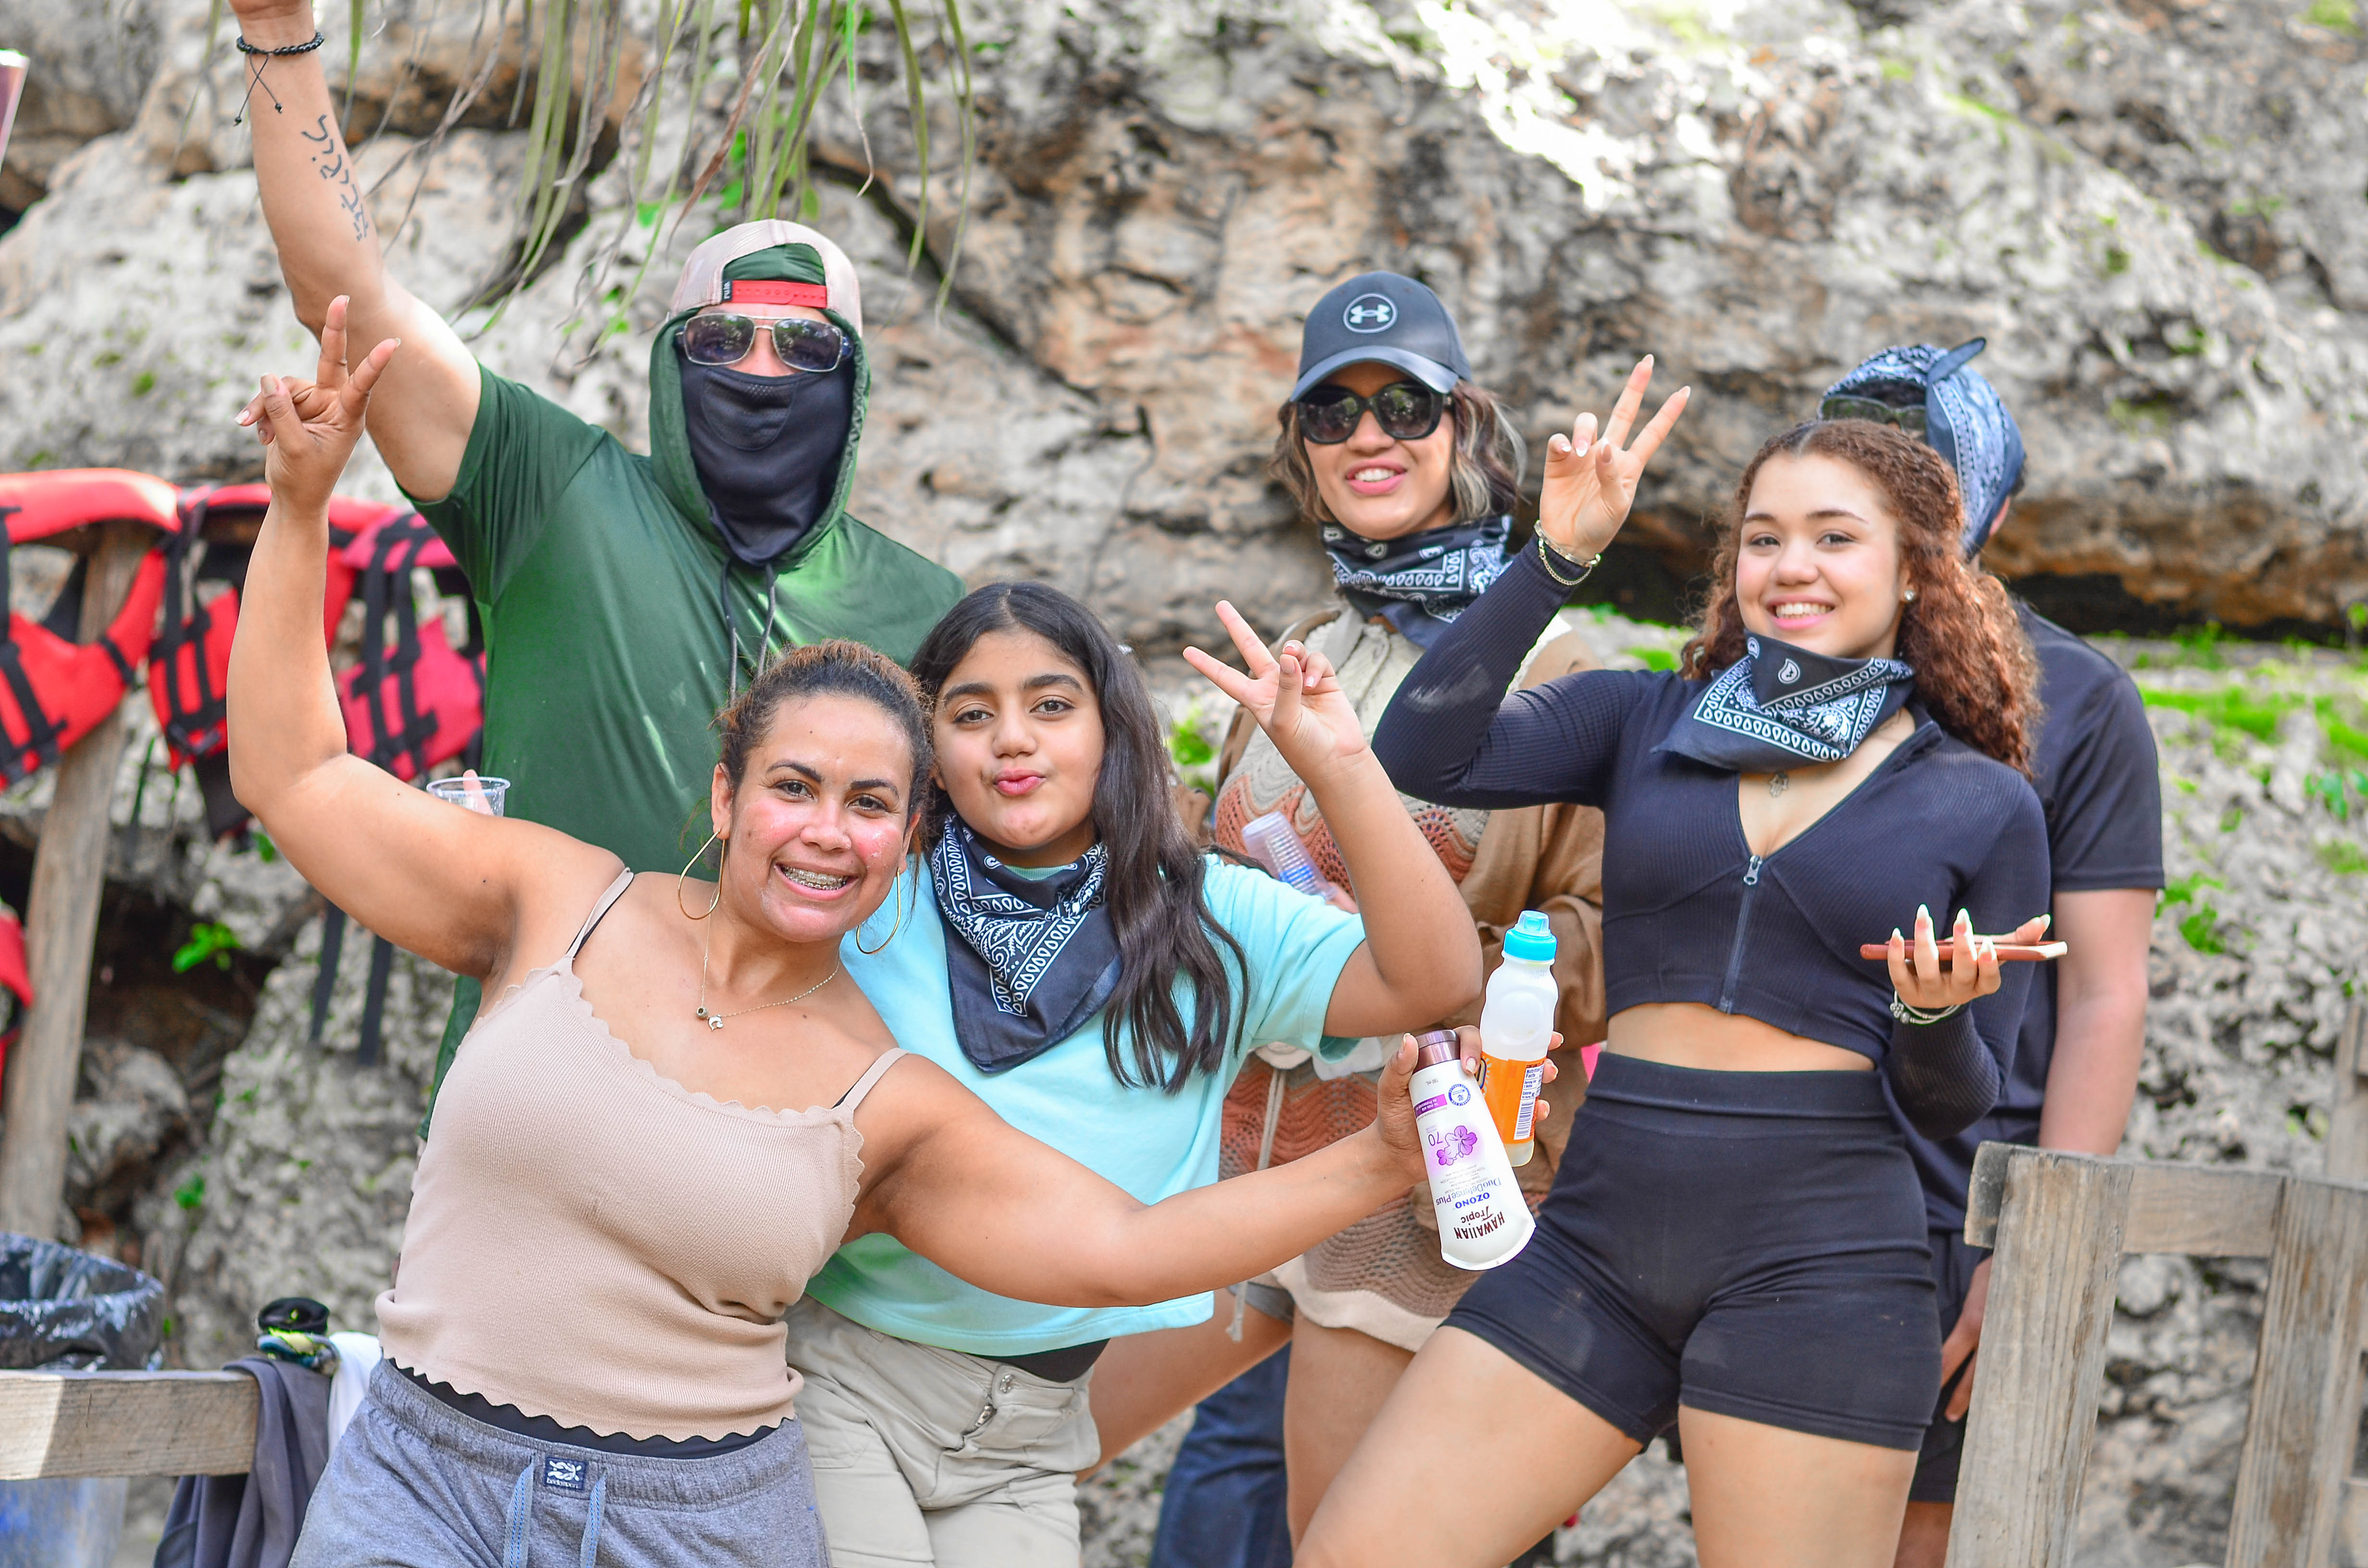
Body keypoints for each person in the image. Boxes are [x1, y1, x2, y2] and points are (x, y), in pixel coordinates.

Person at [234, 329, 1444, 1568]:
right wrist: (301, 505)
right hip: (424, 1481)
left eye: (869, 805)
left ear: (912, 835)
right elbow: (297, 775)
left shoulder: (885, 1093)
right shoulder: (562, 899)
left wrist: (1378, 1161)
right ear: (722, 798)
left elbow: (1121, 1249)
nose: (825, 832)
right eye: (793, 787)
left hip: (690, 1524)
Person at [1301, 359, 2056, 1568]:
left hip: (1820, 1266)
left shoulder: (1980, 806)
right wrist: (1551, 558)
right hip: (1597, 1241)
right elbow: (1420, 748)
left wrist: (1925, 1017)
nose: (1790, 565)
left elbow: (1962, 1107)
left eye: (1832, 538)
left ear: (1916, 569)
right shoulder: (1641, 720)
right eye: (1763, 538)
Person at [224, 0, 963, 1108]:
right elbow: (349, 292)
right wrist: (280, 31)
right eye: (721, 339)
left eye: (806, 345)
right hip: (535, 1101)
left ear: (853, 387)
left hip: (784, 1137)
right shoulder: (554, 489)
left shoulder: (926, 607)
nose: (760, 371)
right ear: (669, 363)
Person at [786, 577, 1488, 1566]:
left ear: (1113, 728)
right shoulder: (874, 902)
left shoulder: (1211, 917)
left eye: (1052, 705)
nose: (1013, 739)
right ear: (930, 752)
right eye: (971, 714)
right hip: (843, 1384)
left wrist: (1339, 768)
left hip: (1032, 1439)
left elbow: (1433, 978)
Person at [1101, 271, 1609, 1561]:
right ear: (1302, 455)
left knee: (1353, 1541)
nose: (1370, 437)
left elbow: (1616, 931)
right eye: (1332, 415)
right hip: (1249, 1171)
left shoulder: (1563, 672)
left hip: (1424, 1186)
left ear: (1467, 435)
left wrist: (1421, 957)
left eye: (1405, 408)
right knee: (1163, 1488)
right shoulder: (1297, 649)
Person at [1817, 342, 2162, 1568]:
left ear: (1991, 507)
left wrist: (2038, 1252)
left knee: (1920, 1537)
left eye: (1925, 488)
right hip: (1783, 1173)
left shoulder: (2077, 696)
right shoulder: (1777, 677)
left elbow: (2107, 992)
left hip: (1964, 1203)